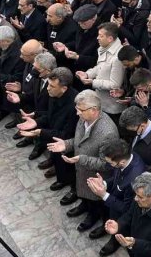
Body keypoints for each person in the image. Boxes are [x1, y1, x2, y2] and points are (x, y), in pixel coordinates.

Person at [46, 91, 118, 230]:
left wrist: (82, 159)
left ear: (94, 110)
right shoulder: (84, 117)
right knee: (85, 196)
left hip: (95, 177)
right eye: (77, 108)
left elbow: (107, 164)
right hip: (82, 172)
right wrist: (66, 144)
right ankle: (85, 205)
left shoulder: (108, 133)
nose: (77, 113)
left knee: (97, 204)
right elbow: (80, 141)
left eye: (80, 110)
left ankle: (96, 218)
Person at [102, 172, 151, 257]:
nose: (135, 199)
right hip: (134, 247)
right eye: (136, 194)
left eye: (140, 197)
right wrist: (118, 225)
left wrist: (135, 244)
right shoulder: (142, 195)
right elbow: (129, 214)